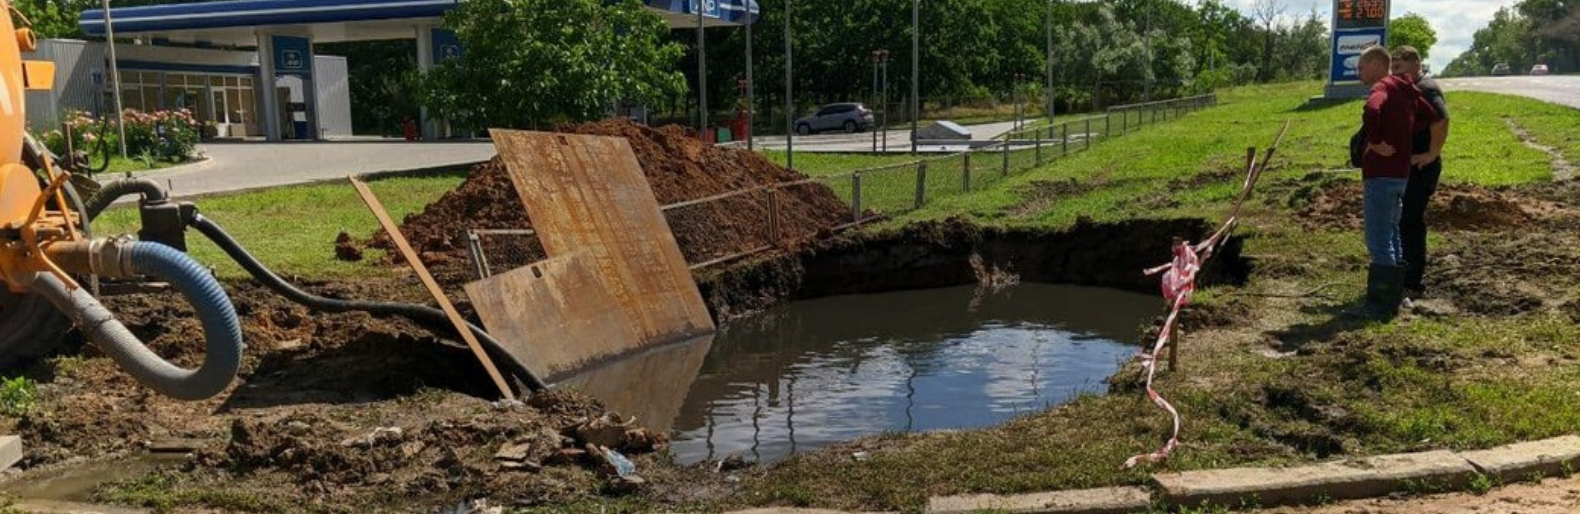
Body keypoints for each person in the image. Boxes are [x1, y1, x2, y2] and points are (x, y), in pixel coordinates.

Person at [1354, 45, 1440, 320]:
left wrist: (1376, 141)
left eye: (1361, 67)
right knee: (1392, 233)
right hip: (1401, 174)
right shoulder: (1407, 88)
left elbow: (1372, 109)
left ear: (1378, 65)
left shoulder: (1382, 87)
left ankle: (1382, 305)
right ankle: (1398, 294)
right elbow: (1430, 116)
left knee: (1378, 238)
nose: (1358, 72)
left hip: (1380, 173)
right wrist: (1404, 132)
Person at [1390, 46, 1450, 301]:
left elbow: (1441, 119)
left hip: (1421, 167)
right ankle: (1402, 273)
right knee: (1402, 221)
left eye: (1399, 66)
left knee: (1411, 222)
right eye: (1392, 66)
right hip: (1408, 166)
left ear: (1416, 64)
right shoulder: (1409, 88)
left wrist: (1432, 153)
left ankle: (1412, 281)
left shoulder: (1426, 89)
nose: (1394, 71)